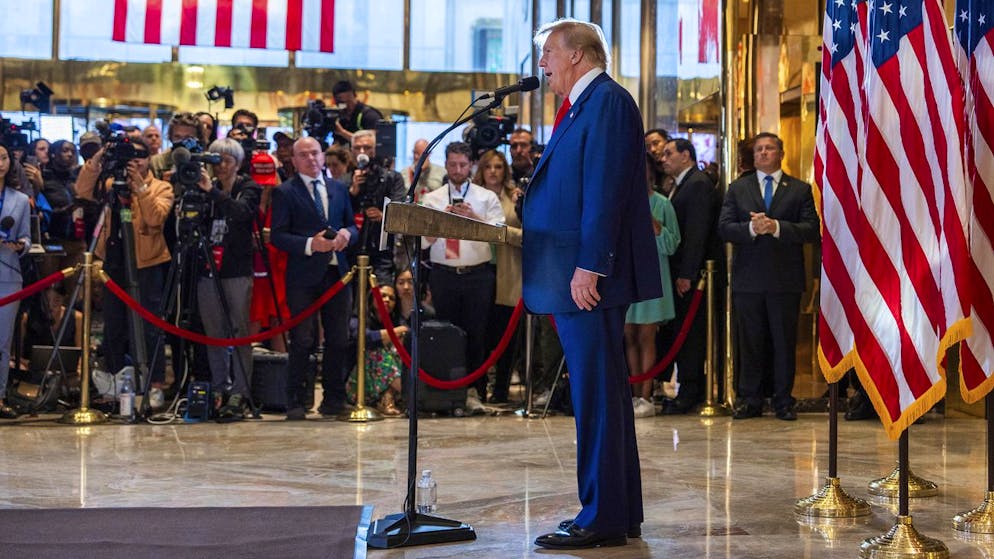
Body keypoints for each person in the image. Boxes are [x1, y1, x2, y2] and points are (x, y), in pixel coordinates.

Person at [523, 19, 661, 550]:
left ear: (578, 55)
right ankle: (617, 512)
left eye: (550, 53)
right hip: (570, 273)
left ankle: (600, 518)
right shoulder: (584, 105)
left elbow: (603, 188)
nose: (543, 65)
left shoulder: (605, 101)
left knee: (597, 397)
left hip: (584, 279)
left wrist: (591, 265)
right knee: (600, 396)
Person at [719, 132, 820, 420]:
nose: (763, 153)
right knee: (750, 341)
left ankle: (782, 401)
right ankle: (749, 399)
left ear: (781, 153)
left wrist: (776, 227)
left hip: (784, 281)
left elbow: (811, 229)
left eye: (769, 148)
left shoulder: (800, 190)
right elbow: (725, 227)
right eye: (759, 149)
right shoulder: (738, 188)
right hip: (748, 280)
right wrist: (751, 229)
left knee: (783, 341)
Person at [76, 137, 174, 408]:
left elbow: (155, 219)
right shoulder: (110, 185)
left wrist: (140, 188)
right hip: (115, 262)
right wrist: (100, 158)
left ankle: (154, 383)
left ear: (149, 159)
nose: (135, 162)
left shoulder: (162, 187)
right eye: (130, 157)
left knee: (149, 327)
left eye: (141, 156)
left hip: (147, 264)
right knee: (114, 326)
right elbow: (83, 190)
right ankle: (116, 379)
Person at [270, 137, 358, 420]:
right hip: (303, 275)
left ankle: (334, 398)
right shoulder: (284, 192)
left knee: (339, 338)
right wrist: (310, 244)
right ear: (294, 161)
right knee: (303, 338)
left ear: (323, 156)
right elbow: (279, 236)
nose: (311, 159)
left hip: (337, 273)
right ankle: (296, 399)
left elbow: (352, 225)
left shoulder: (339, 187)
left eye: (315, 153)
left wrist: (347, 234)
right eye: (303, 155)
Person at [421, 141, 504, 408]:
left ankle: (475, 391)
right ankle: (448, 391)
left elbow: (499, 233)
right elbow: (422, 242)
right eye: (453, 164)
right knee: (446, 332)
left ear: (471, 166)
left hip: (477, 274)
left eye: (463, 165)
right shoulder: (432, 198)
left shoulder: (485, 197)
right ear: (445, 165)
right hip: (444, 273)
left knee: (477, 333)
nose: (457, 170)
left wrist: (475, 217)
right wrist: (439, 222)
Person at [195, 138, 262, 421]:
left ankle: (240, 391)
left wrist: (212, 192)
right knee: (214, 334)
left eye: (227, 160)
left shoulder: (248, 187)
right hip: (208, 269)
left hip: (236, 270)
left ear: (238, 163)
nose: (221, 166)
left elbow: (241, 213)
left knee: (240, 332)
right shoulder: (200, 187)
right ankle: (220, 387)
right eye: (216, 160)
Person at [658, 137, 721, 414]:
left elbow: (696, 233)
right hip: (680, 272)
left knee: (691, 333)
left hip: (692, 276)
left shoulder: (696, 184)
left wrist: (687, 274)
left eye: (669, 153)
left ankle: (690, 390)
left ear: (686, 155)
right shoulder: (679, 184)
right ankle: (686, 387)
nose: (663, 158)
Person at [626, 156, 681, 418]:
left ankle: (647, 396)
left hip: (653, 277)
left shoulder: (662, 204)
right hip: (626, 277)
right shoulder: (621, 203)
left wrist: (656, 228)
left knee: (647, 336)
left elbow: (673, 244)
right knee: (629, 337)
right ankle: (634, 393)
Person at [472, 149, 523, 403]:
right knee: (480, 332)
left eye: (498, 166)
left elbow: (526, 235)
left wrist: (499, 232)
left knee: (507, 334)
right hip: (477, 271)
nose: (493, 171)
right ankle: (477, 388)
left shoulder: (515, 198)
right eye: (488, 166)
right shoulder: (470, 196)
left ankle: (501, 389)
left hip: (507, 272)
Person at [346, 129, 405, 282]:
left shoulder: (392, 178)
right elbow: (340, 214)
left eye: (367, 148)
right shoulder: (345, 179)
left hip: (382, 250)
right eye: (357, 148)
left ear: (375, 149)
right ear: (351, 151)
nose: (362, 152)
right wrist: (353, 191)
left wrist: (383, 215)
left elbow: (400, 211)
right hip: (352, 250)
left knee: (382, 297)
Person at [0, 143, 32, 419]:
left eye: (3, 157)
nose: (0, 163)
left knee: (2, 342)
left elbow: (27, 238)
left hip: (8, 273)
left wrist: (19, 244)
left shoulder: (20, 199)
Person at [346, 284, 408, 416]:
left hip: (383, 383)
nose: (387, 300)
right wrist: (397, 331)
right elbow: (367, 339)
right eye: (382, 296)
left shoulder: (396, 321)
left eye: (391, 298)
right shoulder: (357, 320)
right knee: (378, 353)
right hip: (359, 384)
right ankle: (409, 393)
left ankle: (388, 397)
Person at [331, 80, 382, 145]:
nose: (346, 106)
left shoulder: (369, 115)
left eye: (349, 101)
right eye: (342, 103)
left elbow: (371, 141)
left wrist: (342, 132)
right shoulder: (339, 117)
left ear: (355, 96)